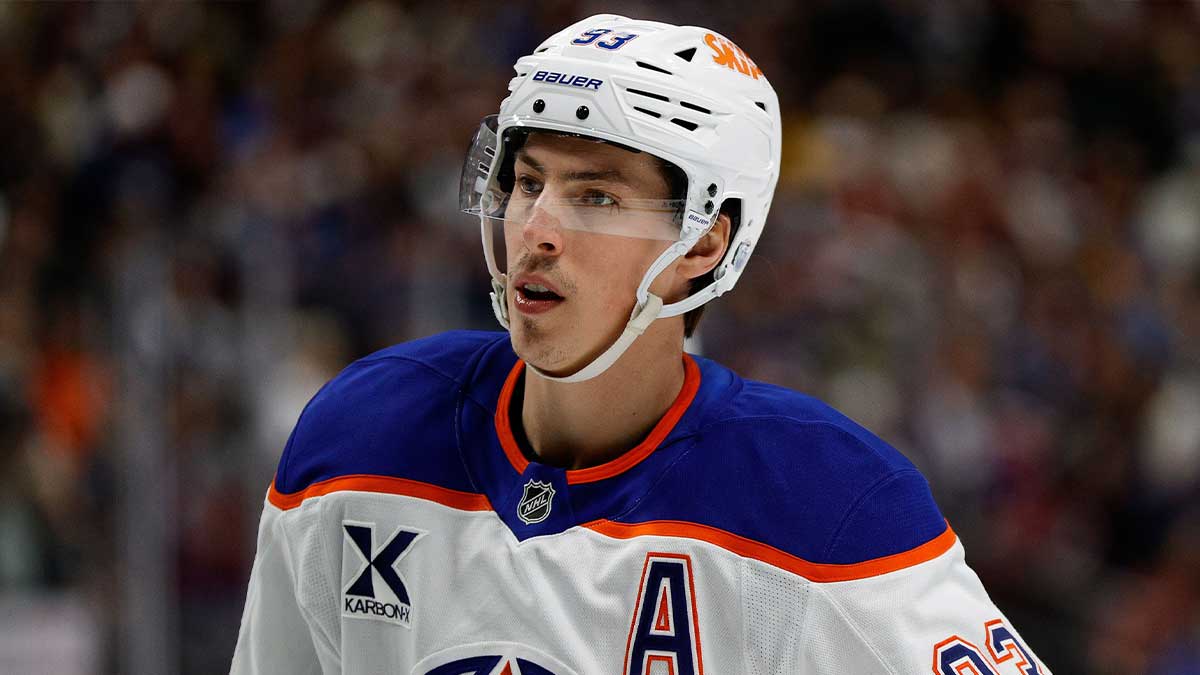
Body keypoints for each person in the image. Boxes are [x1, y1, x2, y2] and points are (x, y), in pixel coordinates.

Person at [232, 14, 1051, 675]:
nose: (537, 229)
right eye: (528, 182)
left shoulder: (827, 504)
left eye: (595, 195)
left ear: (705, 241)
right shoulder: (360, 437)